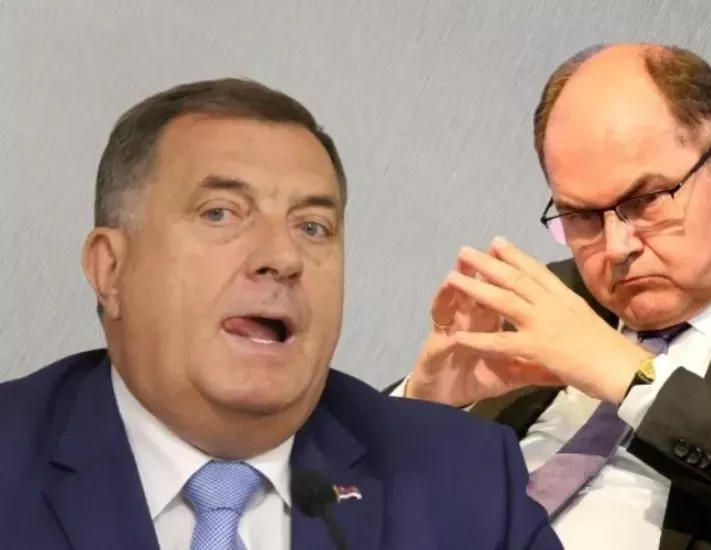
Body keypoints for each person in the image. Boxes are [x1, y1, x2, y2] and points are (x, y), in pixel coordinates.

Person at [0, 78, 562, 550]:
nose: (283, 258)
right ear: (111, 269)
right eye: (220, 213)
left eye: (312, 227)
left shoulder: (463, 482)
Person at [388, 42, 711, 549]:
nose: (618, 247)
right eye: (581, 216)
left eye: (646, 201)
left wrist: (635, 380)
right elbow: (347, 495)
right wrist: (421, 406)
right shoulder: (549, 300)